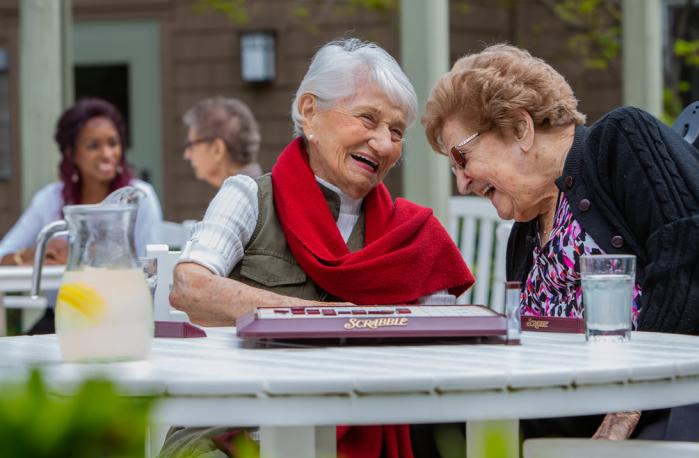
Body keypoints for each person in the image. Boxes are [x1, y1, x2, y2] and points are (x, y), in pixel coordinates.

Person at [422, 44, 699, 442]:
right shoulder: (526, 232)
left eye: (461, 158)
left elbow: (687, 247)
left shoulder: (621, 140)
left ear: (519, 128)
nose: (461, 182)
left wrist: (633, 396)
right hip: (584, 400)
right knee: (436, 420)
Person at [163, 38, 474, 458]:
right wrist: (323, 317)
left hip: (360, 426)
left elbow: (442, 353)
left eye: (396, 131)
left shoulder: (412, 235)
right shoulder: (249, 197)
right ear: (310, 111)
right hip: (235, 425)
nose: (384, 144)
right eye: (368, 118)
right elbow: (190, 288)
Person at [0, 98, 162, 263]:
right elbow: (4, 253)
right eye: (93, 146)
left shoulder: (139, 197)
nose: (107, 154)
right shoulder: (50, 199)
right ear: (71, 153)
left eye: (113, 143)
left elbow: (152, 265)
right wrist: (35, 255)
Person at [182, 97, 264, 188]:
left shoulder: (235, 199)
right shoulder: (262, 191)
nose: (187, 155)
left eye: (191, 145)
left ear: (217, 149)